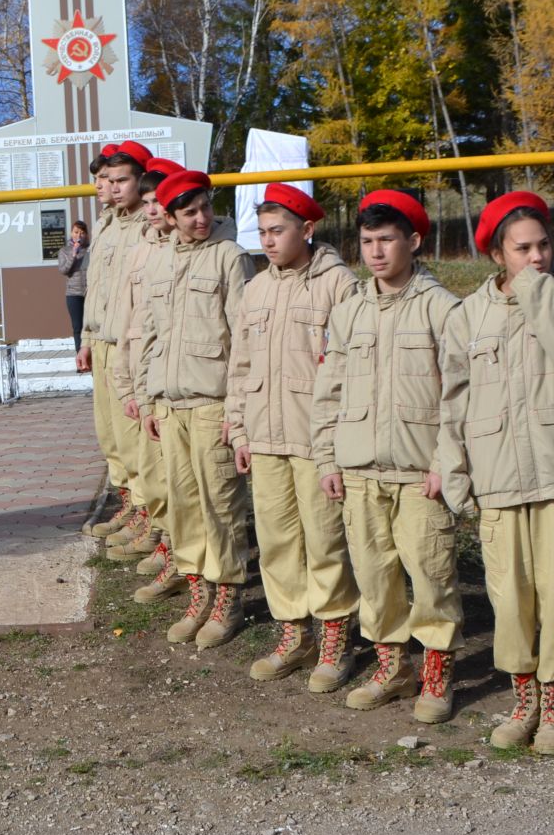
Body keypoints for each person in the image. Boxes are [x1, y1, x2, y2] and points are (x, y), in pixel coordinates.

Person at [437, 193, 554, 747]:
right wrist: (456, 473)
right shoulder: (467, 316)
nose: (536, 258)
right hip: (499, 475)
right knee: (509, 597)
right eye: (522, 249)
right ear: (495, 254)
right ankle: (523, 698)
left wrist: (541, 297)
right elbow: (453, 403)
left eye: (544, 246)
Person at [311, 191, 463, 719]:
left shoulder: (442, 309)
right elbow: (328, 389)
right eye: (367, 242)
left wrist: (446, 462)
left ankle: (437, 675)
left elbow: (458, 395)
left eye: (387, 240)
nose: (375, 252)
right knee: (374, 575)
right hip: (359, 469)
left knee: (432, 574)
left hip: (421, 471)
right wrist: (328, 459)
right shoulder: (349, 311)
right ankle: (392, 667)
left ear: (414, 241)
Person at [228, 184, 363, 692]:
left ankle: (335, 638)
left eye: (277, 230)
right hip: (264, 436)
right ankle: (294, 632)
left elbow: (349, 369)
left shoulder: (338, 285)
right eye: (262, 232)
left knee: (325, 539)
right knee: (279, 540)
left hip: (315, 437)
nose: (268, 241)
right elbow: (239, 367)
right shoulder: (256, 289)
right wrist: (238, 427)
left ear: (307, 230)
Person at [135, 168, 258, 648]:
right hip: (169, 404)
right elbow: (149, 336)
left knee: (220, 505)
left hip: (212, 402)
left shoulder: (230, 257)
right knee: (184, 505)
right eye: (190, 212)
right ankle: (197, 588)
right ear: (169, 217)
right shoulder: (160, 263)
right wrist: (147, 398)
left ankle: (227, 597)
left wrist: (238, 409)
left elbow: (244, 338)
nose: (202, 217)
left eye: (206, 206)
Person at [78, 142, 154, 543]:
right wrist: (87, 337)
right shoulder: (108, 223)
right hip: (104, 339)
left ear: (141, 180)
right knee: (109, 433)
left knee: (133, 434)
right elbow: (97, 289)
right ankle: (128, 501)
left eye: (121, 179)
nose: (111, 186)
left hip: (131, 344)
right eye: (108, 179)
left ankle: (147, 510)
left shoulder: (148, 222)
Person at [108, 158, 179, 570]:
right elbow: (130, 320)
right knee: (150, 468)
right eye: (149, 202)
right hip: (142, 369)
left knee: (173, 476)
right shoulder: (141, 251)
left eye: (159, 201)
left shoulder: (184, 250)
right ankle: (160, 534)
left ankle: (172, 547)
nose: (153, 210)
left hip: (173, 378)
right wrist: (126, 379)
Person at [59, 220, 89, 347]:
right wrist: (73, 254)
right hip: (73, 294)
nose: (79, 235)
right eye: (76, 232)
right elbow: (64, 270)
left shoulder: (90, 250)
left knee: (91, 325)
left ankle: (92, 358)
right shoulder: (64, 251)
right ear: (71, 233)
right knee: (78, 327)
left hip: (90, 292)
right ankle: (80, 359)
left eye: (82, 233)